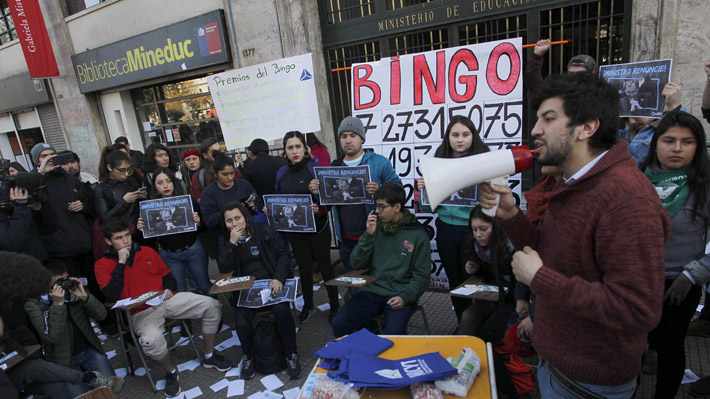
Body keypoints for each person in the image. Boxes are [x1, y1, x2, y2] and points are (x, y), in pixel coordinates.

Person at [479, 72, 670, 397]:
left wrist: (540, 279)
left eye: (548, 118)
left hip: (589, 382)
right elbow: (553, 253)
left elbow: (638, 310)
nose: (535, 130)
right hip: (559, 366)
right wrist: (511, 215)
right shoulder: (574, 183)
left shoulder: (625, 198)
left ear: (587, 127)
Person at [95, 217, 232, 398]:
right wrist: (120, 263)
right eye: (118, 238)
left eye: (127, 235)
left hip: (165, 300)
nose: (125, 241)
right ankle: (170, 372)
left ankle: (208, 355)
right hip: (139, 311)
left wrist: (168, 288)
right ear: (108, 241)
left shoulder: (147, 251)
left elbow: (168, 277)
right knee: (151, 341)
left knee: (211, 304)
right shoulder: (102, 264)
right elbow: (111, 295)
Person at [634, 110, 710, 398]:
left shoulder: (704, 184)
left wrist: (692, 275)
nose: (677, 148)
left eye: (687, 142)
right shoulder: (636, 178)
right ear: (656, 144)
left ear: (697, 146)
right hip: (635, 281)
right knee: (633, 347)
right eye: (669, 140)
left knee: (669, 349)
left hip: (678, 286)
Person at [1, 251, 123, 399]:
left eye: (65, 279)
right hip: (64, 361)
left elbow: (102, 315)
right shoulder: (34, 304)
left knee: (109, 391)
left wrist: (85, 297)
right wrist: (57, 305)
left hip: (90, 351)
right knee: (82, 396)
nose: (64, 286)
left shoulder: (74, 291)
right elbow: (52, 337)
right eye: (58, 283)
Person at [330, 183, 430, 337]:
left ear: (397, 207)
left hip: (400, 293)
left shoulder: (417, 234)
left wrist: (405, 297)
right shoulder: (375, 229)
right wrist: (368, 237)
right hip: (373, 290)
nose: (377, 211)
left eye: (382, 207)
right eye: (376, 206)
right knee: (339, 323)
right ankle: (358, 358)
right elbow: (356, 263)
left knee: (393, 334)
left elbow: (422, 276)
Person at [417, 115, 490, 321]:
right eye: (455, 134)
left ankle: (480, 327)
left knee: (474, 280)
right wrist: (424, 191)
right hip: (445, 231)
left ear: (473, 136)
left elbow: (493, 204)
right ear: (447, 137)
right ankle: (462, 323)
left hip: (472, 231)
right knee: (455, 282)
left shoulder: (484, 162)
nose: (460, 139)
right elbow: (427, 207)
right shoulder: (437, 163)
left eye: (465, 134)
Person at [217, 202, 301, 380]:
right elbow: (224, 267)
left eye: (238, 218)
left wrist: (278, 277)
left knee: (282, 311)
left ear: (246, 217)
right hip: (246, 289)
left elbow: (283, 255)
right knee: (240, 319)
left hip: (271, 281)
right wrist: (232, 243)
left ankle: (291, 354)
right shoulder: (225, 239)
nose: (234, 224)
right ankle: (248, 356)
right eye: (229, 221)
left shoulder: (263, 230)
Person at [309, 116, 402, 271]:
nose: (348, 140)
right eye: (344, 136)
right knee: (355, 286)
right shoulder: (334, 166)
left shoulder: (379, 162)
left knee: (378, 284)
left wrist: (380, 190)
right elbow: (327, 203)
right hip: (346, 241)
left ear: (362, 139)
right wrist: (317, 192)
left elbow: (399, 191)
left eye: (353, 135)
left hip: (376, 237)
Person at [276, 131, 339, 323]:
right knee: (303, 269)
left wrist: (318, 205)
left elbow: (331, 200)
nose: (294, 151)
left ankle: (335, 306)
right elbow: (278, 199)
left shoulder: (315, 168)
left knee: (326, 267)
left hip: (318, 229)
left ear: (305, 149)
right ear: (285, 151)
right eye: (290, 147)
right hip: (296, 231)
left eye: (298, 146)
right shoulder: (281, 173)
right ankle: (309, 305)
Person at [136, 167, 212, 296]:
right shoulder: (148, 207)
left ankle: (214, 313)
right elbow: (149, 238)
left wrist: (198, 223)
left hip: (193, 250)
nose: (165, 185)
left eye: (168, 181)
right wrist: (142, 229)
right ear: (154, 186)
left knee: (204, 285)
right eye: (160, 183)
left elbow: (204, 226)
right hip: (169, 254)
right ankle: (185, 316)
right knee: (178, 290)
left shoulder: (188, 201)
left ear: (174, 182)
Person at [456, 206, 516, 339]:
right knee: (468, 316)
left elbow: (521, 287)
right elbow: (487, 275)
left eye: (483, 229)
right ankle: (462, 357)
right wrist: (475, 269)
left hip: (514, 302)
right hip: (493, 297)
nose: (478, 235)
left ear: (496, 227)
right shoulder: (475, 245)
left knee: (488, 329)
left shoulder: (512, 247)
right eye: (474, 229)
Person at [200, 152, 262, 255]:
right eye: (225, 174)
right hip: (225, 242)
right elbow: (209, 220)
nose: (230, 177)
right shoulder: (208, 193)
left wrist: (252, 206)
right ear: (215, 174)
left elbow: (258, 203)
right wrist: (230, 214)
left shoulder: (244, 184)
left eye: (232, 173)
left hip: (250, 239)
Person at [617, 82, 683, 164]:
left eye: (637, 114)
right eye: (625, 119)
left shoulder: (664, 129)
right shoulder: (622, 135)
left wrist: (674, 106)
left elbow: (686, 132)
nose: (632, 122)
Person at [94, 146, 147, 225]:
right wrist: (124, 202)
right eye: (122, 170)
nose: (126, 174)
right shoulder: (101, 189)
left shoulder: (131, 181)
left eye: (128, 170)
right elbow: (104, 218)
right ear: (109, 167)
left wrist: (142, 196)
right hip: (120, 230)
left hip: (138, 228)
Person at [524, 38, 595, 92]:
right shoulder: (563, 92)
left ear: (593, 73)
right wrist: (537, 55)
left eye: (580, 74)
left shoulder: (599, 95)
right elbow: (536, 86)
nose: (575, 78)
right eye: (571, 74)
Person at [191, 138, 236, 202]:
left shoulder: (234, 171)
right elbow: (198, 199)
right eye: (213, 152)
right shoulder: (199, 176)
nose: (218, 154)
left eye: (220, 150)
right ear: (205, 155)